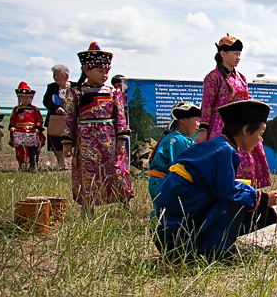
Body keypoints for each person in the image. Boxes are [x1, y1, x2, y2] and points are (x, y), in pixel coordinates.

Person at [153, 100, 277, 258]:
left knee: (244, 191)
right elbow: (226, 193)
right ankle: (210, 248)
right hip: (182, 198)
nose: (260, 140)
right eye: (260, 134)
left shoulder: (220, 145)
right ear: (245, 130)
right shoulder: (225, 150)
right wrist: (262, 199)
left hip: (173, 193)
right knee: (234, 201)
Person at [65, 42, 134, 209]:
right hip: (85, 142)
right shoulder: (75, 93)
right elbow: (69, 119)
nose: (104, 75)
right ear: (86, 71)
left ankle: (124, 205)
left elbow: (120, 117)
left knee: (117, 172)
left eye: (106, 72)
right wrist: (67, 143)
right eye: (100, 71)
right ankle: (87, 208)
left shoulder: (113, 93)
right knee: (88, 175)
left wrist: (121, 139)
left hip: (109, 140)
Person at [198, 34, 271, 188]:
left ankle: (247, 194)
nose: (238, 57)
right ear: (223, 54)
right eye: (235, 54)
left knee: (247, 159)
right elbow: (207, 105)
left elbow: (247, 105)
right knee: (224, 161)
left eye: (239, 54)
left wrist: (255, 132)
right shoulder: (213, 77)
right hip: (221, 126)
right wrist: (203, 129)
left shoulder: (241, 78)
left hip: (242, 124)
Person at [148, 101, 201, 200]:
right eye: (196, 120)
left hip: (159, 183)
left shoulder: (173, 137)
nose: (198, 124)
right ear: (183, 120)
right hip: (166, 185)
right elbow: (184, 169)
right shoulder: (178, 140)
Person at [43, 64, 76, 170]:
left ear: (66, 75)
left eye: (57, 75)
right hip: (56, 119)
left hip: (73, 119)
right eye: (54, 75)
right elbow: (46, 101)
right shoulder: (51, 87)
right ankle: (61, 162)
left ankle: (74, 163)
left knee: (74, 140)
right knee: (56, 140)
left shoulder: (76, 86)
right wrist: (56, 108)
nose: (55, 77)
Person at [9, 82, 46, 172]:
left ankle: (33, 164)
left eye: (27, 97)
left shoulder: (35, 109)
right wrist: (12, 126)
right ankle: (22, 164)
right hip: (19, 131)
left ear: (31, 98)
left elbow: (39, 119)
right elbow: (13, 119)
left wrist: (38, 128)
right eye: (22, 97)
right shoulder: (16, 109)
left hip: (32, 132)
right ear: (19, 98)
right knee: (20, 149)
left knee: (33, 149)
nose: (25, 100)